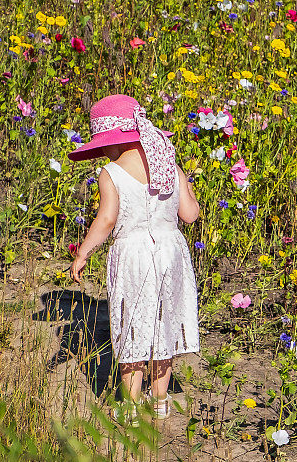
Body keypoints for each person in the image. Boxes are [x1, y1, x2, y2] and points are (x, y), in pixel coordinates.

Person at [67, 94, 200, 421]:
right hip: (171, 250)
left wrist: (83, 252)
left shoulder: (111, 173)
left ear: (114, 141)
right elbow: (190, 214)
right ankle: (160, 401)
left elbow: (107, 219)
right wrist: (188, 188)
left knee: (132, 324)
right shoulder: (169, 164)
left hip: (133, 254)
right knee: (164, 322)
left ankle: (129, 406)